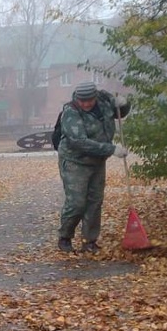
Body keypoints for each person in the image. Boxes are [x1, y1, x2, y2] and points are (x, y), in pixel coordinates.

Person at [57, 81, 130, 254]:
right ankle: (65, 237)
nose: (86, 104)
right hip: (75, 162)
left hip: (97, 161)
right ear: (77, 99)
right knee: (76, 203)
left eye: (89, 100)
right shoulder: (71, 112)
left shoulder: (104, 100)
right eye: (82, 101)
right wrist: (111, 149)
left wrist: (124, 104)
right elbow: (79, 142)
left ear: (95, 97)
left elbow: (119, 113)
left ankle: (89, 241)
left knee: (94, 202)